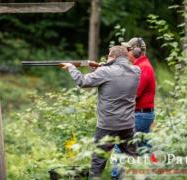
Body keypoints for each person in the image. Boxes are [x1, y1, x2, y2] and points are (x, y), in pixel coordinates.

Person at [60, 45, 141, 179]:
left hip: (107, 126)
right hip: (127, 124)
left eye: (108, 55)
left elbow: (82, 81)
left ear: (113, 57)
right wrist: (103, 67)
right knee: (134, 160)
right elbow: (116, 74)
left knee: (97, 163)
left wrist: (71, 67)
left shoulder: (105, 72)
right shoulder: (136, 71)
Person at [111, 38, 156, 179]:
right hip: (142, 115)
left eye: (128, 50)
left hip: (139, 115)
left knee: (121, 147)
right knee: (144, 150)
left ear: (136, 51)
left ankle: (116, 177)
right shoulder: (140, 66)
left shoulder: (143, 68)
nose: (126, 53)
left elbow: (133, 93)